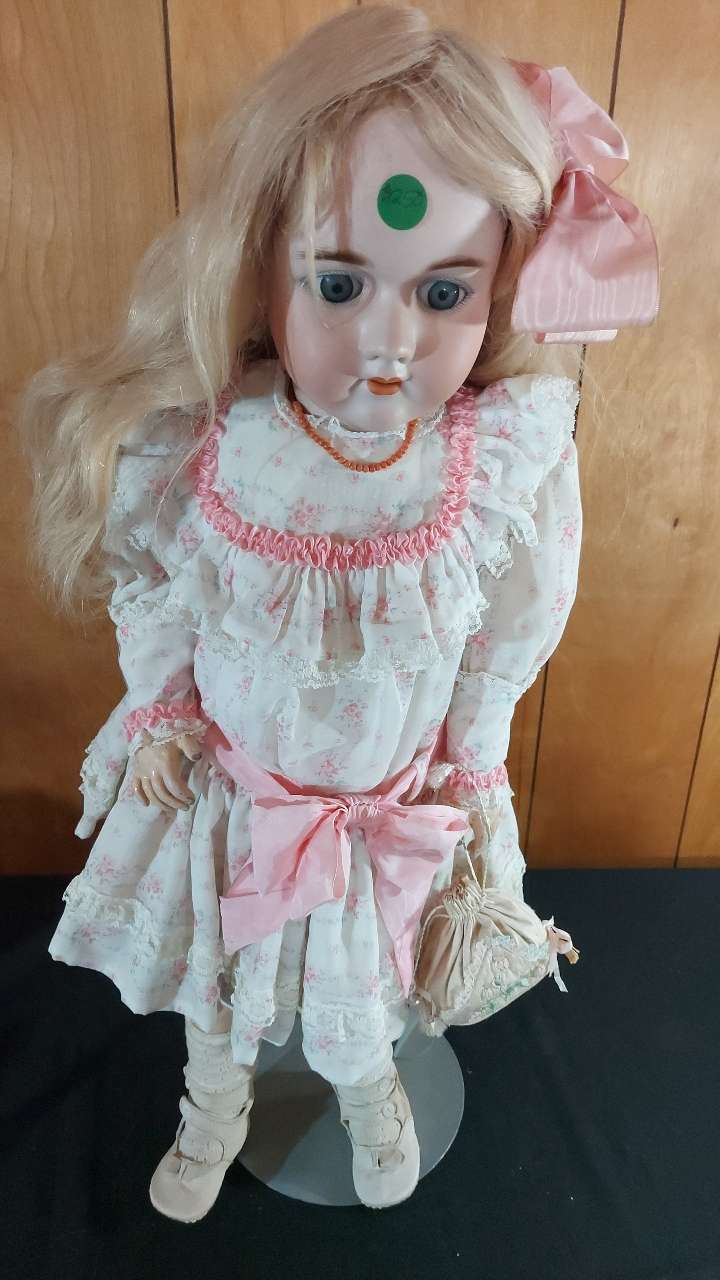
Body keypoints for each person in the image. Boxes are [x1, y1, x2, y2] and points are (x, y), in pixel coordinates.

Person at [18, 5, 658, 1224]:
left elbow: (512, 624)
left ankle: (372, 1099)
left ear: (498, 292)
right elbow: (161, 585)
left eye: (445, 289)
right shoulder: (210, 448)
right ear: (261, 260)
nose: (388, 339)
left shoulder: (490, 465)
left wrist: (473, 767)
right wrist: (159, 710)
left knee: (366, 998)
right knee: (223, 996)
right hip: (237, 803)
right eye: (339, 281)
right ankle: (212, 1108)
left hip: (385, 812)